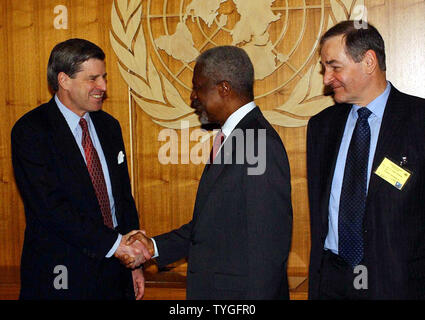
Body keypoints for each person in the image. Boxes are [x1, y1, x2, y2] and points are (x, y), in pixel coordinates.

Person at [119, 46, 293, 299]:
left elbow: (268, 246)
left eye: (198, 87)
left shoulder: (258, 144)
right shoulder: (238, 138)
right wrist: (154, 246)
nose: (193, 97)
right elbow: (210, 227)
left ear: (223, 88)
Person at [11, 38, 152, 300]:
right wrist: (116, 245)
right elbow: (51, 208)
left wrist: (135, 264)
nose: (103, 87)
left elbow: (122, 198)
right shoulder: (31, 131)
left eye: (104, 77)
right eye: (93, 79)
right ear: (64, 80)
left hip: (115, 272)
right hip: (62, 275)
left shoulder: (109, 126)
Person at [307, 20, 425, 299]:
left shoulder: (419, 120)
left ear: (369, 61)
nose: (326, 78)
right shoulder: (321, 127)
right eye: (325, 68)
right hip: (332, 280)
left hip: (398, 283)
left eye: (335, 67)